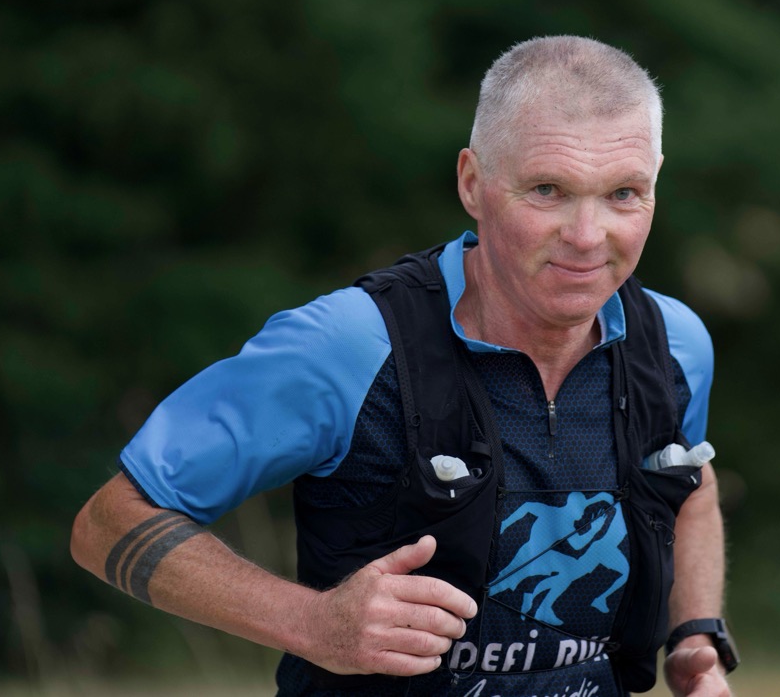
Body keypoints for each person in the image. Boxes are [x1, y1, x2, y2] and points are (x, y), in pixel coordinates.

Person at [71, 35, 735, 697]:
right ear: (473, 182)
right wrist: (311, 622)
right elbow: (109, 521)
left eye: (623, 193)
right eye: (547, 189)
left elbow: (687, 482)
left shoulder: (673, 344)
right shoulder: (350, 345)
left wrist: (695, 636)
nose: (588, 236)